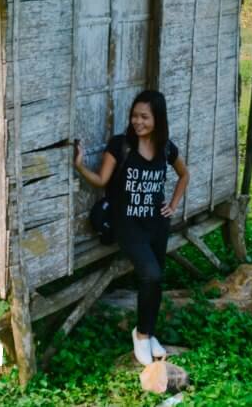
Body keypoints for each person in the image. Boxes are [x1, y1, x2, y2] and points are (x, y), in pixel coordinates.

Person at [73, 90, 190, 365]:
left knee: (157, 278)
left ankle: (149, 333)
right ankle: (140, 335)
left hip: (157, 224)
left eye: (144, 117)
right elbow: (102, 180)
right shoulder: (121, 145)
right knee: (149, 275)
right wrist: (79, 166)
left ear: (157, 119)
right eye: (135, 116)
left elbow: (184, 174)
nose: (138, 121)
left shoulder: (166, 148)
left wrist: (172, 204)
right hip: (127, 224)